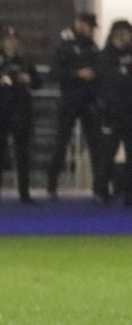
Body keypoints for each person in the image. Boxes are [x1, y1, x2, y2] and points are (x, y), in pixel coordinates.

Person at [47, 13, 105, 202]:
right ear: (79, 24)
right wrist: (77, 74)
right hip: (70, 99)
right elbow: (55, 72)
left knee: (96, 145)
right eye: (88, 26)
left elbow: (100, 70)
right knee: (61, 143)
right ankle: (51, 185)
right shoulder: (64, 45)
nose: (90, 30)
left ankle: (99, 188)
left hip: (89, 101)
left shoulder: (93, 47)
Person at [0, 29, 38, 205]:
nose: (11, 44)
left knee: (23, 154)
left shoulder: (25, 61)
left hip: (21, 110)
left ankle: (24, 192)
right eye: (7, 40)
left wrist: (28, 78)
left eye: (13, 40)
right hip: (0, 111)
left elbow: (37, 81)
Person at [98, 20, 132, 204]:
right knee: (107, 153)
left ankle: (129, 193)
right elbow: (107, 81)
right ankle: (101, 191)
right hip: (111, 112)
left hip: (130, 111)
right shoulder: (106, 56)